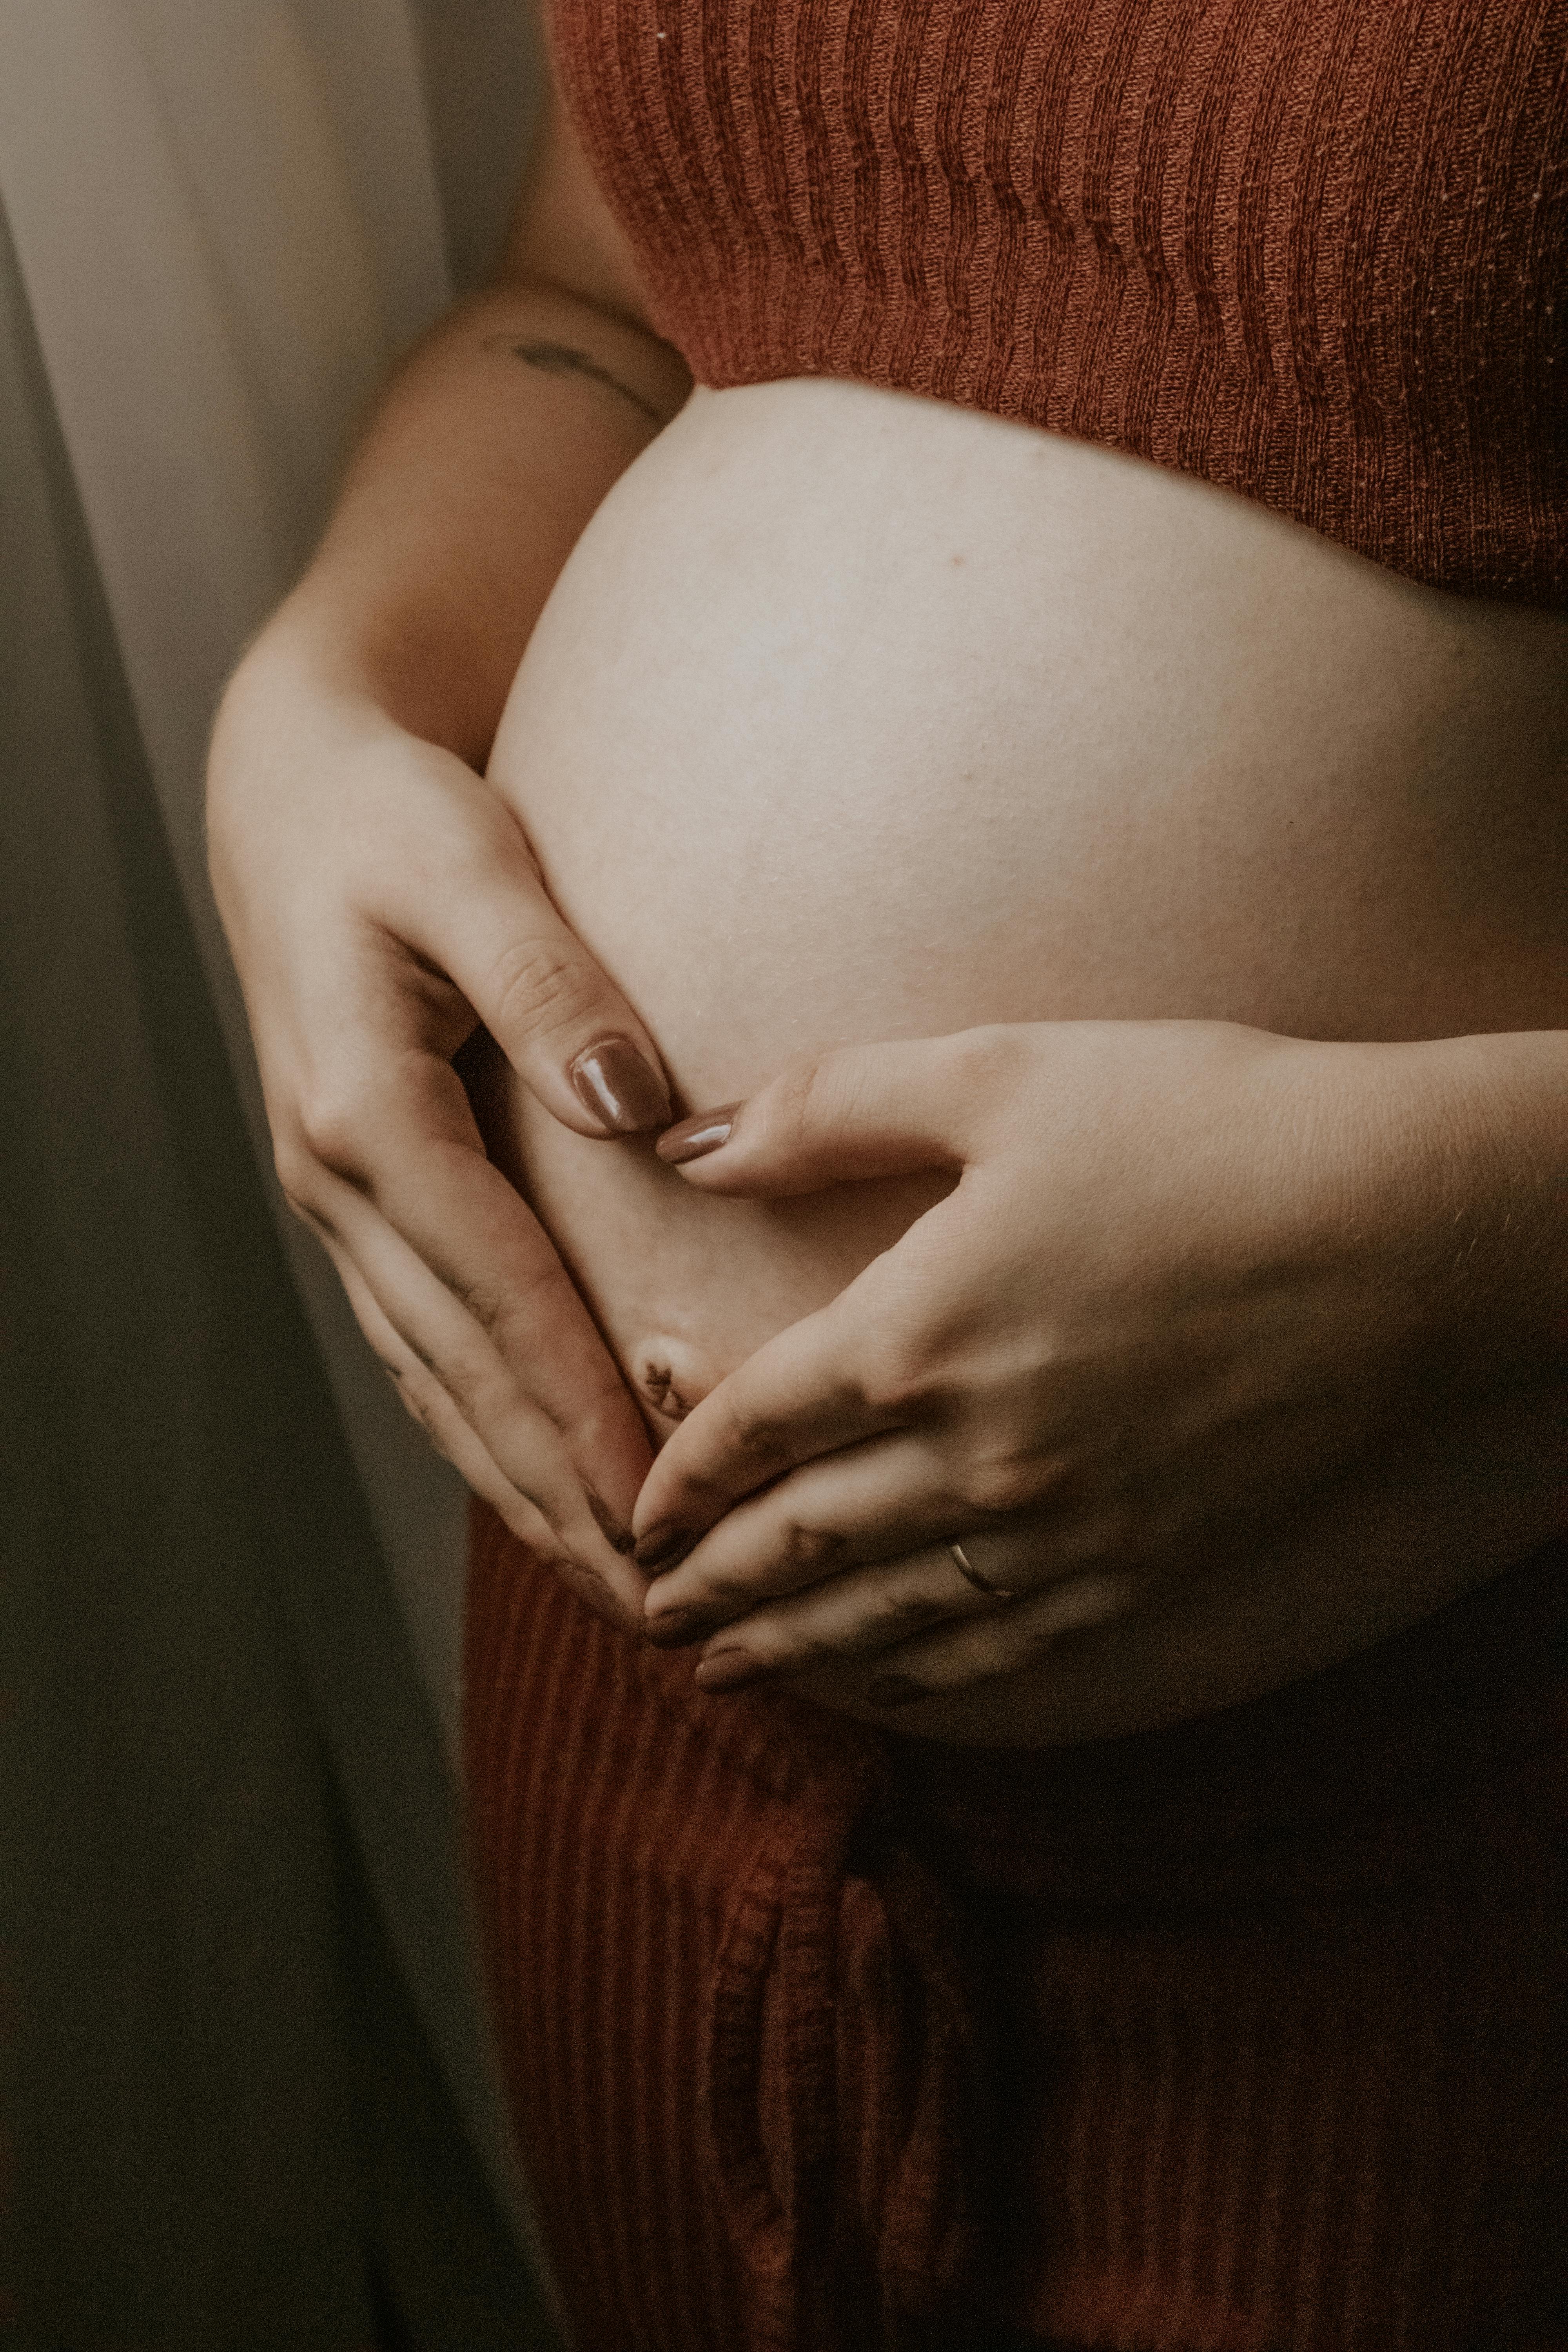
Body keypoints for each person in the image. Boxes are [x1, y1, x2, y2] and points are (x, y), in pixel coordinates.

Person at [208, 1, 1568, 2345]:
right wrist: (316, 713)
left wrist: (1496, 1223)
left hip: (1442, 1766)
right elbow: (601, 294)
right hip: (649, 1681)